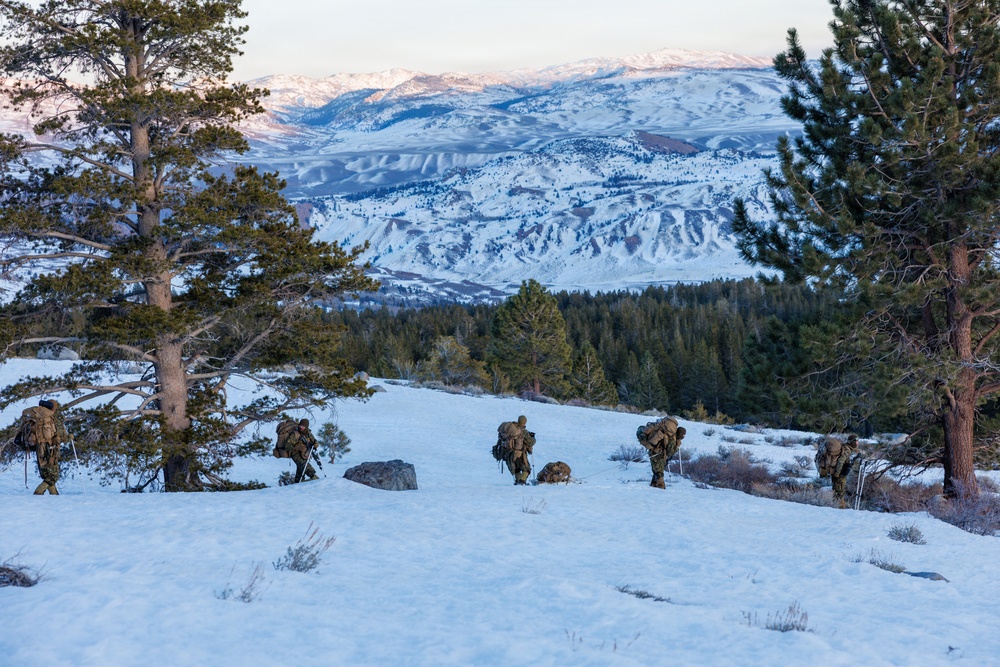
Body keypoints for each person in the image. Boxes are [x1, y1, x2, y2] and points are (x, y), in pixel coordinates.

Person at [17, 399, 68, 495]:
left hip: (39, 447)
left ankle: (54, 495)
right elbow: (62, 436)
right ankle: (38, 493)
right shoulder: (52, 419)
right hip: (50, 449)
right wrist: (71, 437)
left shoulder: (36, 418)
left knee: (46, 472)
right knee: (53, 475)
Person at [636, 416, 685, 489]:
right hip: (658, 454)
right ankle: (660, 490)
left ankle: (654, 487)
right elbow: (669, 451)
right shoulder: (672, 437)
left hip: (655, 452)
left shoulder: (669, 434)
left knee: (657, 472)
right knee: (659, 474)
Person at [816, 434, 860, 508]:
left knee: (837, 490)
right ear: (851, 442)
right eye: (856, 442)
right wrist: (837, 473)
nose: (857, 443)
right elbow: (840, 461)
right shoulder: (847, 449)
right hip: (839, 474)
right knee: (839, 491)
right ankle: (839, 508)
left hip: (837, 472)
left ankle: (836, 505)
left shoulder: (846, 447)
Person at [497, 415, 534, 485]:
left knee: (516, 469)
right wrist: (532, 437)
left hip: (508, 453)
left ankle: (517, 481)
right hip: (519, 454)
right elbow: (531, 442)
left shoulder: (510, 429)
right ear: (524, 422)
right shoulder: (522, 431)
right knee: (526, 469)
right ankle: (522, 481)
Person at [289, 418, 320, 483]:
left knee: (300, 468)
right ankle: (313, 476)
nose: (301, 427)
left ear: (306, 427)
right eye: (300, 425)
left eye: (303, 426)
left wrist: (315, 444)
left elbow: (314, 442)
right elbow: (287, 446)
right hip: (295, 453)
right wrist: (298, 447)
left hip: (304, 453)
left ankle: (298, 482)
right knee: (303, 464)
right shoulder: (295, 434)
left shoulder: (308, 433)